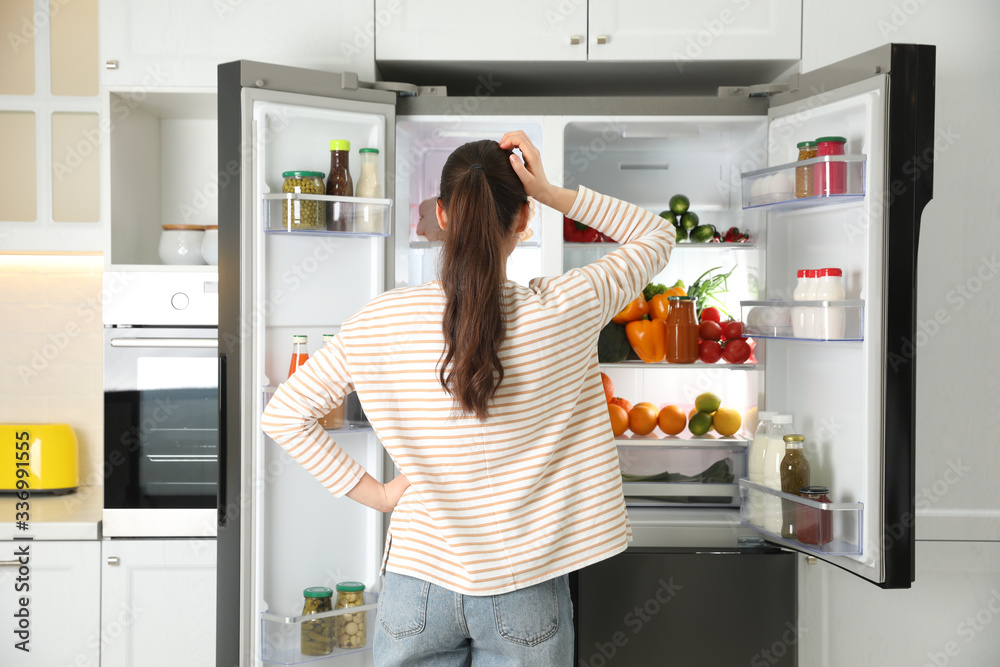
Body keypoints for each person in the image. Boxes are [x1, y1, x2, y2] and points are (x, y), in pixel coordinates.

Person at [261, 131, 675, 666]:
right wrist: (549, 191)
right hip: (525, 583)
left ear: (442, 214)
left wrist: (383, 496)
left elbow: (285, 415)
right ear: (523, 221)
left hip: (417, 583)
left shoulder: (380, 319)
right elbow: (656, 235)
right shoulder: (570, 306)